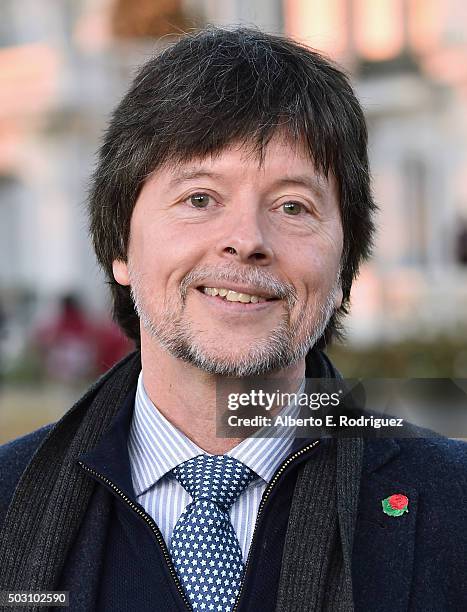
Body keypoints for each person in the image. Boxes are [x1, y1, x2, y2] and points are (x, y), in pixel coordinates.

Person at [0, 27, 465, 612]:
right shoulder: (9, 503)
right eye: (200, 199)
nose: (246, 240)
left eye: (293, 206)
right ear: (121, 246)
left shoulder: (454, 504)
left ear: (345, 263)